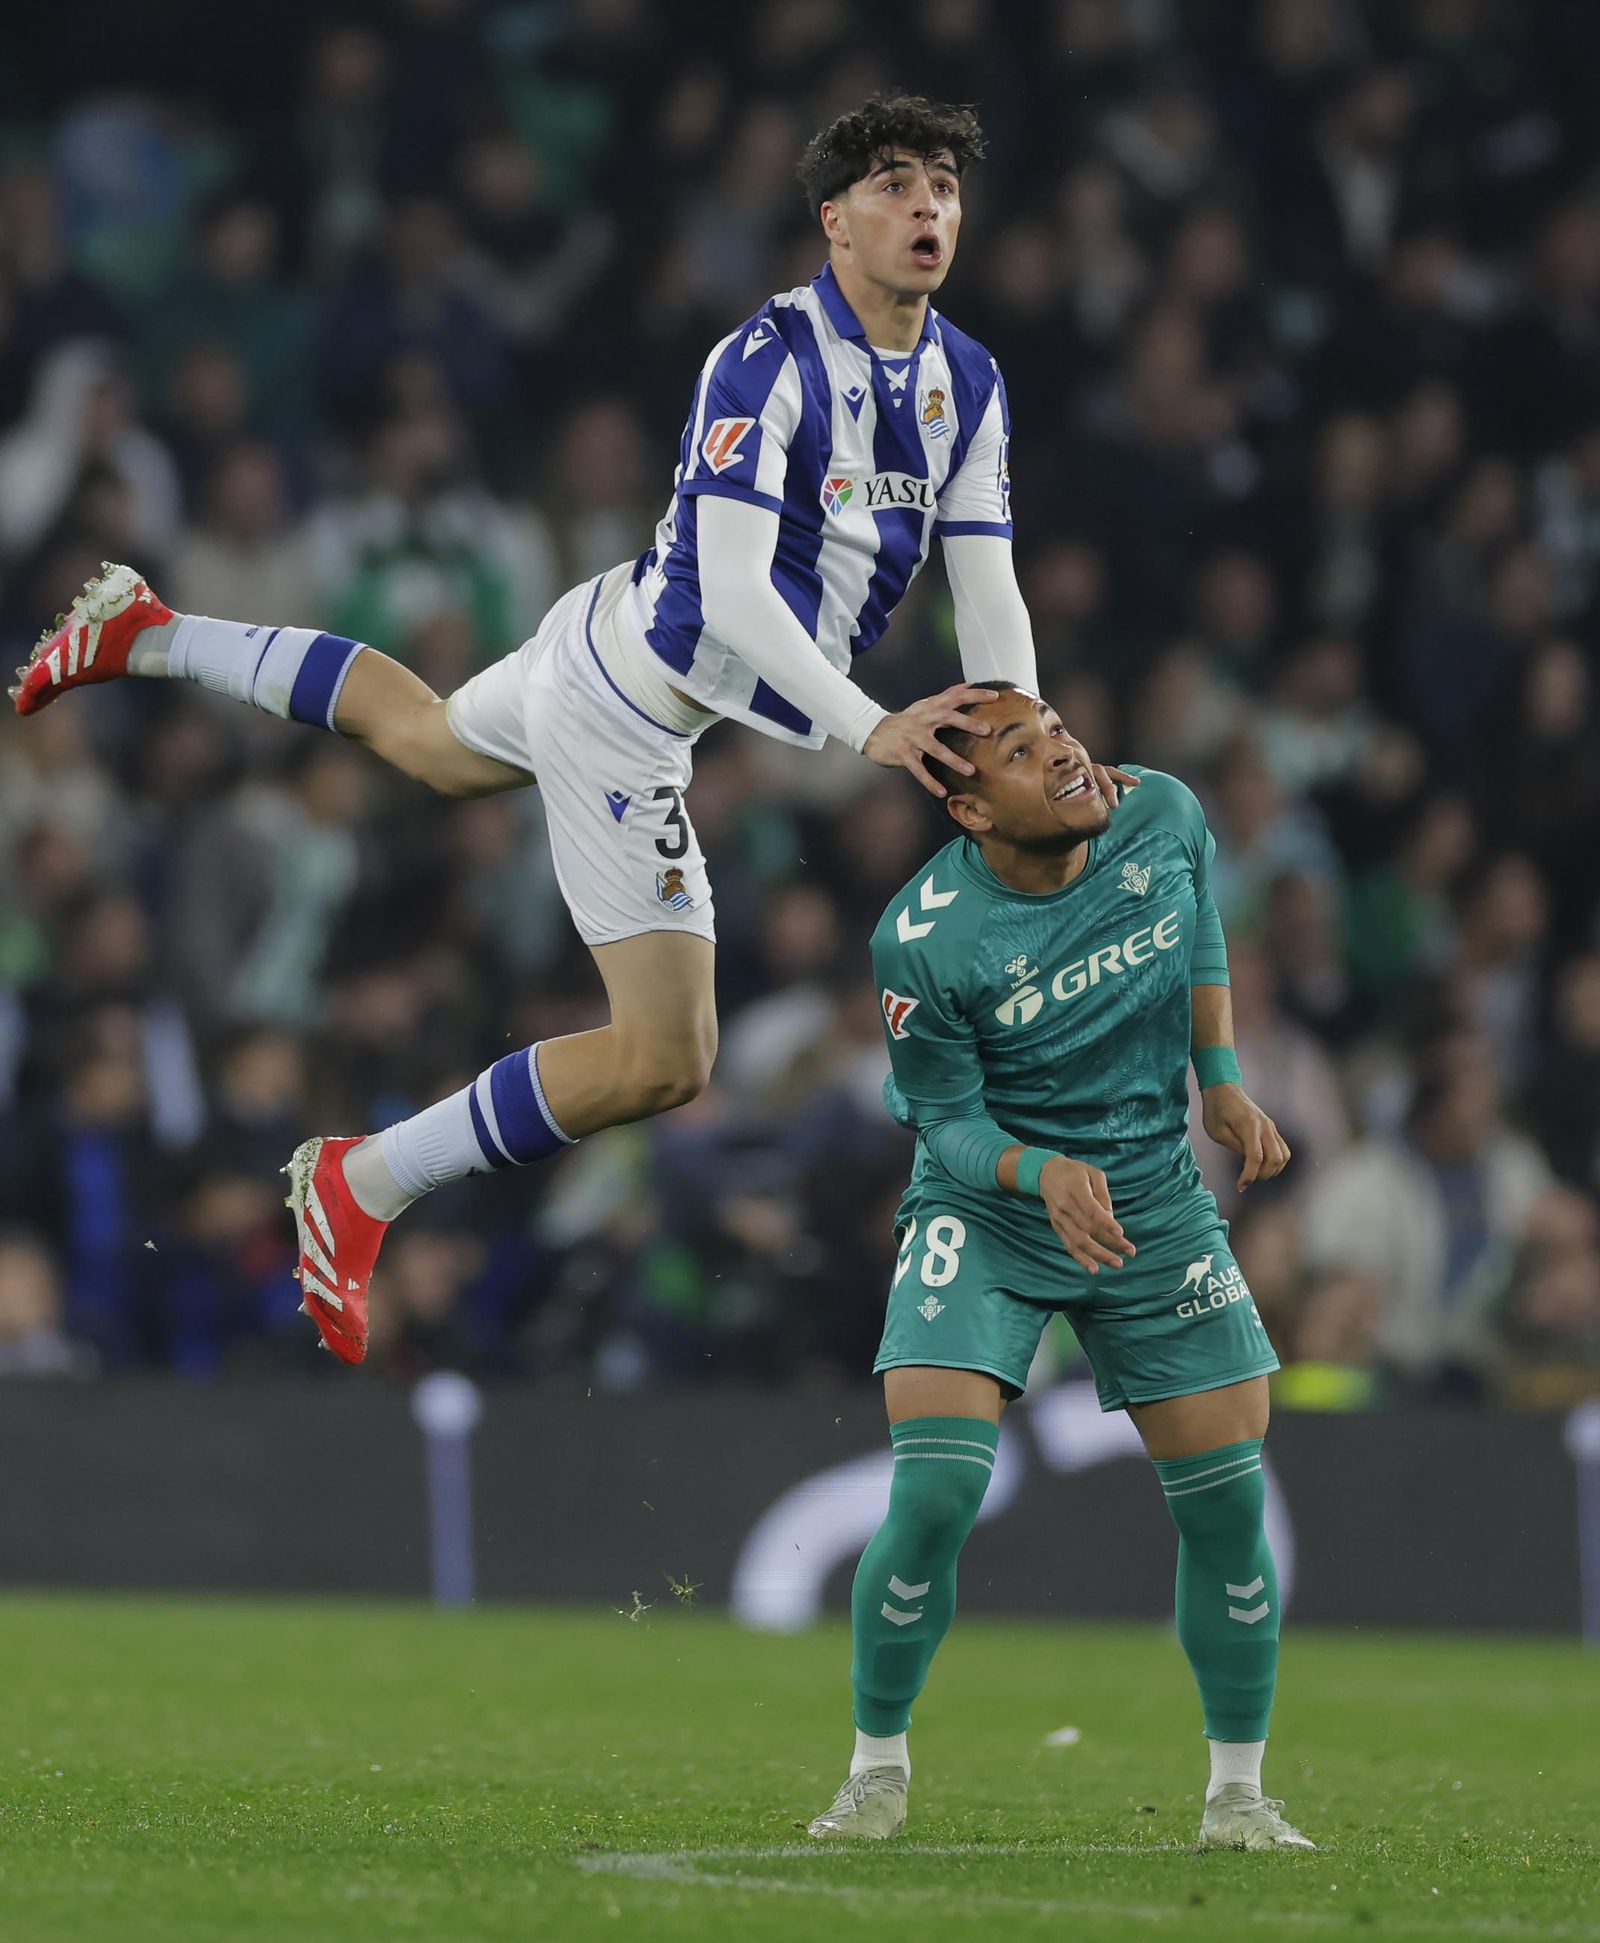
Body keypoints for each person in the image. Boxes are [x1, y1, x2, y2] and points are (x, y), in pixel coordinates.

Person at [12, 96, 1131, 1364]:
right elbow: (739, 593)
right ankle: (364, 1180)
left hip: (612, 625)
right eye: (892, 185)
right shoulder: (761, 361)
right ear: (833, 220)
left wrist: (1026, 737)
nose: (925, 206)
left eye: (941, 185)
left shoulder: (964, 378)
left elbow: (987, 582)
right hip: (626, 704)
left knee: (430, 741)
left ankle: (144, 633)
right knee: (666, 1058)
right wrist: (871, 728)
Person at [806, 681, 1313, 1852]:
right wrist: (1038, 1173)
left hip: (1147, 1197)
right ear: (972, 810)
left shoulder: (1160, 813)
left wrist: (1220, 1076)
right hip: (991, 1205)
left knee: (1230, 1499)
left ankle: (1237, 1793)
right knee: (933, 1494)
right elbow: (944, 1122)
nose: (1071, 756)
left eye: (1062, 732)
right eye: (1025, 753)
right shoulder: (920, 938)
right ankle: (874, 1767)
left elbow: (1194, 920)